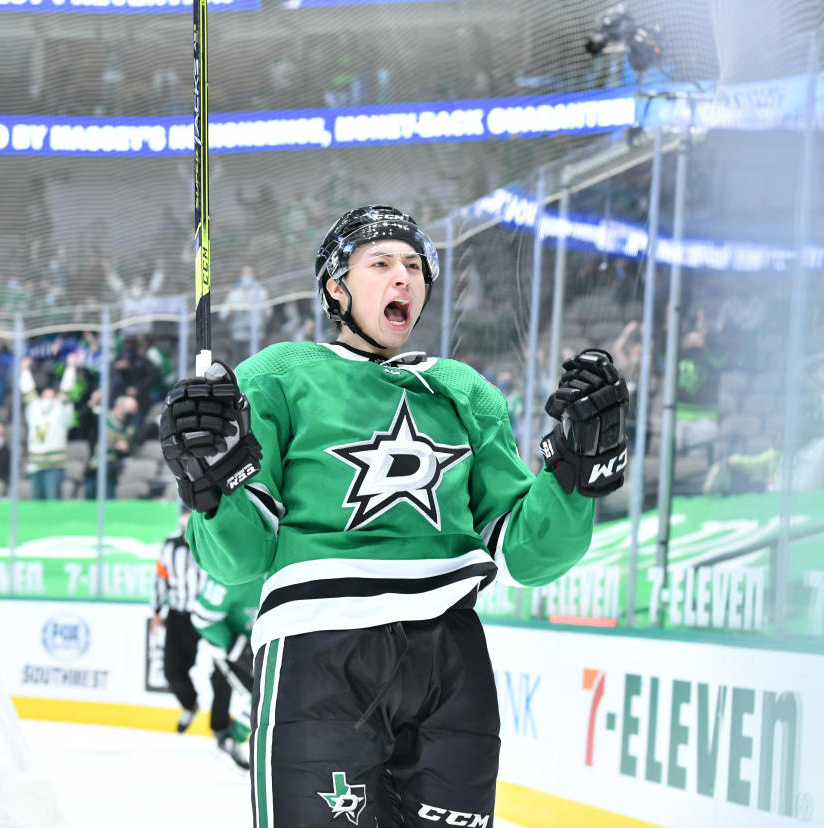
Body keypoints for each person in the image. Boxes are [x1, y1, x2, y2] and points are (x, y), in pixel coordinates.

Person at [158, 205, 628, 827]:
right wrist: (211, 486)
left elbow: (528, 555)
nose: (403, 277)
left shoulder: (464, 390)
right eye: (380, 263)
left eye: (413, 266)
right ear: (336, 287)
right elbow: (240, 557)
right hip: (320, 650)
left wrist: (574, 471)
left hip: (451, 659)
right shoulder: (277, 377)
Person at [190, 572, 262, 771]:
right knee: (263, 694)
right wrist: (235, 646)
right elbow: (202, 618)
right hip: (233, 650)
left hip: (263, 643)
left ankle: (231, 737)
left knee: (271, 694)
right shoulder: (228, 575)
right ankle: (231, 739)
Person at [150, 519, 209, 734]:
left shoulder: (207, 544)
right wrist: (156, 611)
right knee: (172, 671)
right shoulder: (170, 547)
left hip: (206, 616)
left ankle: (228, 723)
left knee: (220, 669)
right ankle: (189, 705)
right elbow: (160, 578)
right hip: (177, 616)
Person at [21, 353, 79, 500]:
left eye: (51, 396)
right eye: (44, 396)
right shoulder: (34, 409)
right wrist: (24, 370)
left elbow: (66, 390)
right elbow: (27, 390)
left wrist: (71, 367)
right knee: (37, 501)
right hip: (36, 463)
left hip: (54, 464)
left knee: (53, 501)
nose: (47, 399)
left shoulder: (59, 409)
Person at [84, 392, 138, 499]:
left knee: (108, 497)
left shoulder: (129, 427)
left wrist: (126, 448)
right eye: (128, 411)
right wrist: (93, 400)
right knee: (90, 497)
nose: (130, 414)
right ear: (119, 407)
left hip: (112, 468)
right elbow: (86, 417)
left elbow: (135, 447)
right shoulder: (102, 419)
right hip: (94, 465)